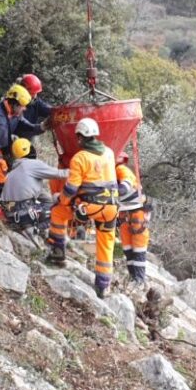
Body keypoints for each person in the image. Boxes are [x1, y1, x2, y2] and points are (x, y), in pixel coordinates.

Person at [46, 118, 119, 298]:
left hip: (89, 206)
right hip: (111, 207)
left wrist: (60, 200)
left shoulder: (80, 158)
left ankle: (58, 254)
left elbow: (71, 189)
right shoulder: (109, 153)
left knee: (57, 213)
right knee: (106, 242)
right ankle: (103, 285)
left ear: (80, 137)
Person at [0, 84, 46, 197]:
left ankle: (6, 203)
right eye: (22, 106)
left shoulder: (16, 115)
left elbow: (28, 126)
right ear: (14, 103)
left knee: (4, 181)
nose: (24, 109)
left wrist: (42, 127)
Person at [0, 138, 68, 233]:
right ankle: (35, 230)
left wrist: (50, 199)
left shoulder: (12, 172)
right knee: (59, 211)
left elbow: (28, 191)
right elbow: (61, 174)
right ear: (30, 150)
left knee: (49, 200)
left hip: (9, 215)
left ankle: (27, 225)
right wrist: (80, 171)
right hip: (24, 215)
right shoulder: (32, 164)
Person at [116, 152, 150, 286]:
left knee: (138, 248)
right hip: (126, 215)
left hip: (135, 214)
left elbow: (127, 183)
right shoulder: (112, 172)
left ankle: (139, 280)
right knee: (128, 248)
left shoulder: (121, 169)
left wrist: (117, 190)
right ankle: (133, 277)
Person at [15, 74, 53, 158]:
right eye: (33, 93)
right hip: (13, 140)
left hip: (27, 140)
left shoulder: (35, 102)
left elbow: (49, 110)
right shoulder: (14, 103)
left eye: (36, 93)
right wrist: (40, 127)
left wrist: (60, 112)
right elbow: (21, 123)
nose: (35, 96)